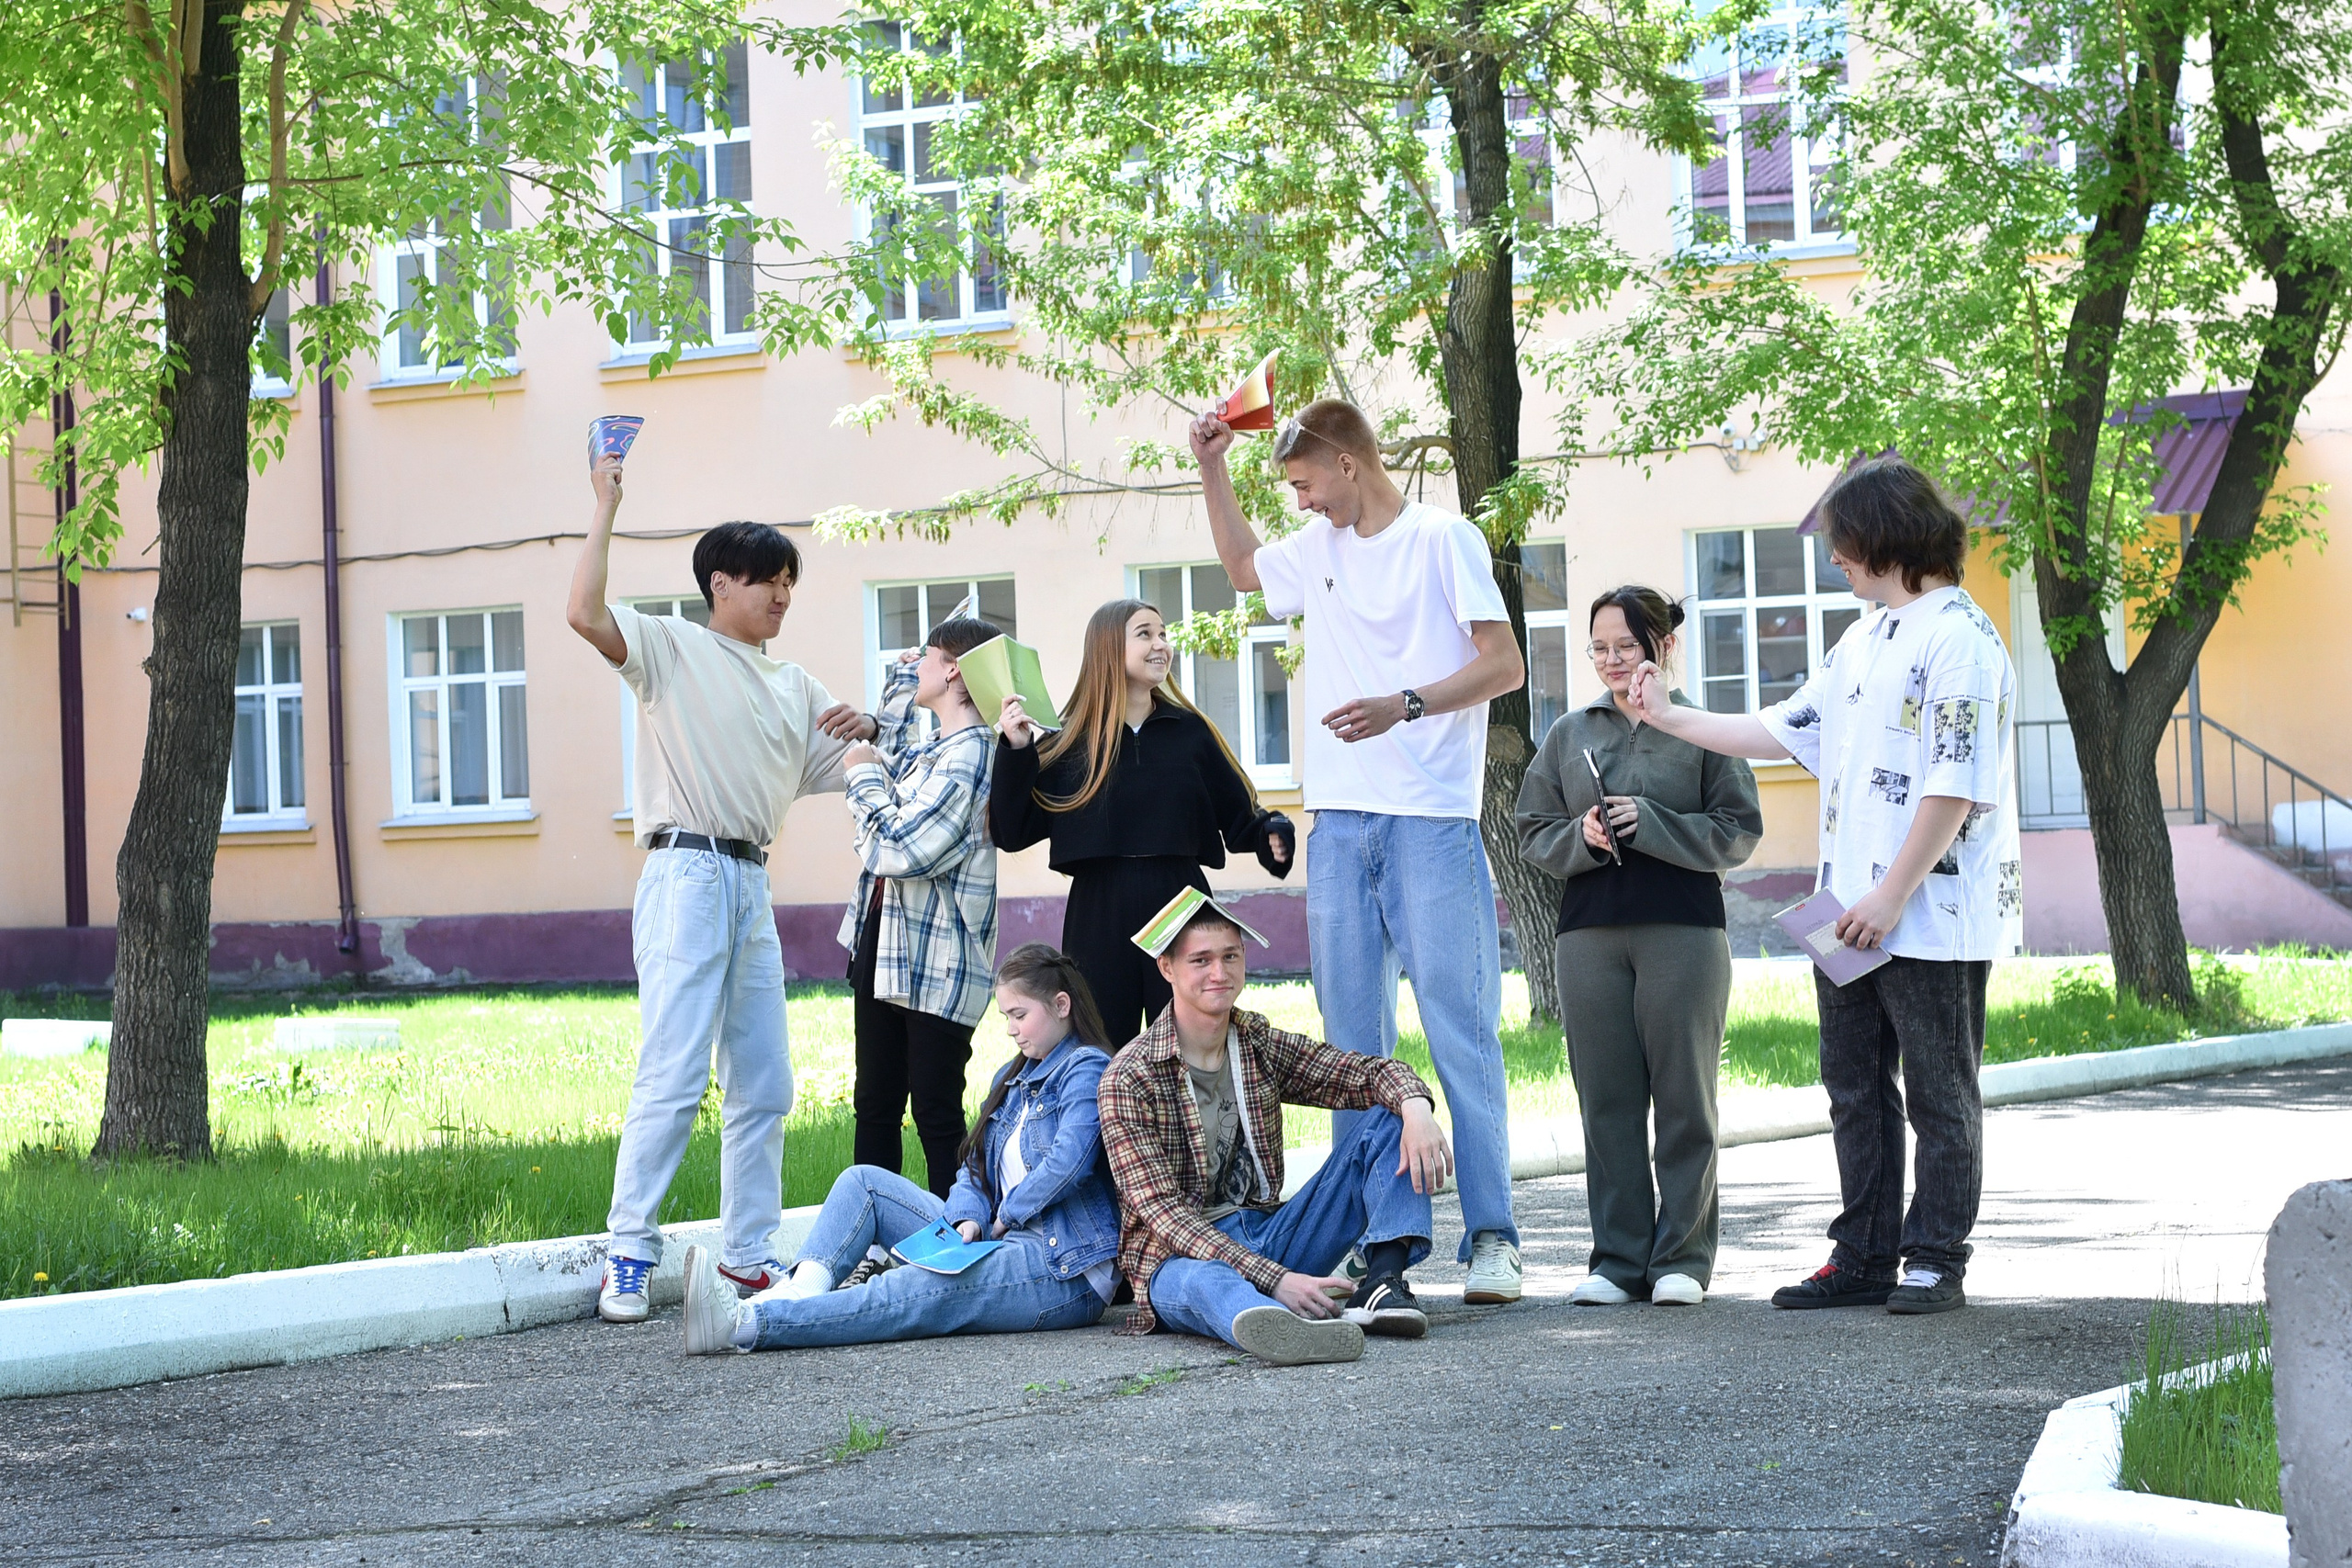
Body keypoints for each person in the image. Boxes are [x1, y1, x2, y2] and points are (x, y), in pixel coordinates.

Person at [1628, 457, 2021, 1316]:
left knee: (1939, 1090)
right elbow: (1778, 728)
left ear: (1883, 537)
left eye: (1842, 544)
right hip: (1845, 911)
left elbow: (1954, 784)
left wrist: (1890, 896)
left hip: (1925, 915)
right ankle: (1865, 1253)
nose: (1833, 561)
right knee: (1852, 1086)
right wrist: (1665, 714)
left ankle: (1934, 1258)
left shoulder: (1961, 638)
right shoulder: (1864, 637)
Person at [1190, 397, 1528, 1304]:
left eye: (1301, 483)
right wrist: (1212, 464)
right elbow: (1239, 567)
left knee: (1461, 1032)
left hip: (1429, 821)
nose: (1296, 502)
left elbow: (1505, 666)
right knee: (1353, 1049)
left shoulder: (1441, 540)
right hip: (1338, 823)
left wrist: (1402, 703)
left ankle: (1493, 1238)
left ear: (1346, 463)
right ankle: (1380, 1242)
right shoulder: (1317, 550)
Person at [567, 451, 879, 1322]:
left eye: (789, 581)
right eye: (766, 580)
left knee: (767, 1080)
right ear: (719, 583)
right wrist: (605, 504)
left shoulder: (795, 685)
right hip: (686, 872)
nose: (782, 595)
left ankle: (748, 1257)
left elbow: (855, 762)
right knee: (673, 1068)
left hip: (750, 880)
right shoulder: (671, 647)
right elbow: (582, 612)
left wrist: (875, 725)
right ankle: (628, 1251)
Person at [681, 944, 1122, 1353]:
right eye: (1006, 1016)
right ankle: (797, 1294)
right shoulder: (1014, 1074)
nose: (1010, 1030)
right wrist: (968, 1214)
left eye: (1019, 1015)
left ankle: (745, 1323)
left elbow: (1071, 1161)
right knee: (864, 1183)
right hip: (995, 1235)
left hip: (1063, 1266)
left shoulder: (1086, 1068)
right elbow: (974, 1164)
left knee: (912, 1290)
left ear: (1061, 1006)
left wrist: (1004, 1215)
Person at [1514, 586, 1763, 1308]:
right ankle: (1618, 1259)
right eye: (1600, 647)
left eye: (1627, 645)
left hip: (1683, 927)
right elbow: (1531, 828)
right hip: (1588, 931)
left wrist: (1650, 820)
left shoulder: (1700, 726)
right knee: (1607, 1101)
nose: (1613, 660)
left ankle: (1683, 1257)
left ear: (1662, 646)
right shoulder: (1569, 731)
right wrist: (1583, 836)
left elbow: (1738, 828)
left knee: (1685, 1095)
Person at [1096, 890, 1456, 1365]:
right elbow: (1164, 1215)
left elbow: (1356, 1073)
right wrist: (1275, 1278)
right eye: (1200, 960)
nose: (1219, 973)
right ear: (1167, 968)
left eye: (1230, 956)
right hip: (1177, 1257)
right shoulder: (1128, 1077)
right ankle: (1271, 1321)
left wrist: (1415, 1105)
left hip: (1270, 1233)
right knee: (1204, 1281)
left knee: (1388, 1122)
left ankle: (1380, 1286)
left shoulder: (1256, 1042)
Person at [990, 597, 1295, 1043]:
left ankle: (1187, 1116)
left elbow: (1239, 819)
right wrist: (1017, 752)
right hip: (1098, 910)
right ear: (1109, 648)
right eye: (1145, 634)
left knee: (1188, 1040)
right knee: (1101, 1042)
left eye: (1163, 634)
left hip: (1180, 901)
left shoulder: (1191, 732)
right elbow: (1011, 831)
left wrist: (1271, 834)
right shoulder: (1072, 740)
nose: (1161, 645)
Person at [842, 615, 1004, 1200]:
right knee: (875, 1107)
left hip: (938, 962)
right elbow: (892, 748)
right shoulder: (935, 748)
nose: (918, 666)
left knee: (936, 1112)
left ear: (955, 668)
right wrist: (898, 680)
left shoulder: (970, 755)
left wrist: (862, 781)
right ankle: (873, 1241)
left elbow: (899, 847)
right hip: (883, 946)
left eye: (927, 657)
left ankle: (953, 1246)